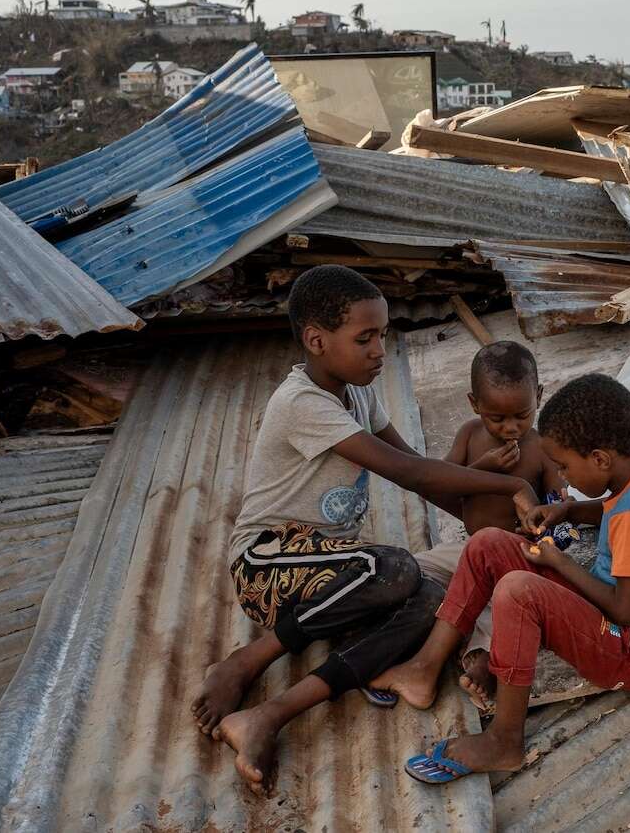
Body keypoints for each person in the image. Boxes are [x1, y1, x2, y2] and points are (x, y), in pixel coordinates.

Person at [189, 265, 539, 796]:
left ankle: (270, 714)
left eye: (383, 335)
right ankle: (245, 661)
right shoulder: (302, 403)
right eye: (365, 338)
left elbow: (421, 474)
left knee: (436, 597)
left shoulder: (359, 392)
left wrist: (492, 530)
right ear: (317, 340)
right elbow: (407, 472)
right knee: (395, 567)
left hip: (335, 572)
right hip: (267, 563)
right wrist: (506, 485)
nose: (380, 350)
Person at [373, 373, 630, 784]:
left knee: (517, 591)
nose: (563, 477)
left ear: (599, 459)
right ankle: (424, 668)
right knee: (488, 542)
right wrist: (568, 511)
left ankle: (505, 739)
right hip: (607, 618)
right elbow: (609, 510)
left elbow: (626, 610)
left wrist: (559, 563)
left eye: (564, 467)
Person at [414, 340, 566, 712]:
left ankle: (482, 660)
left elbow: (560, 502)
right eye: (497, 419)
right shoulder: (469, 435)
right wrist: (484, 468)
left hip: (515, 556)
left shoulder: (541, 448)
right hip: (468, 552)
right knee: (414, 569)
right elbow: (442, 481)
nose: (511, 427)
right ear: (474, 404)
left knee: (500, 606)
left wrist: (556, 511)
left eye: (521, 415)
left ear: (539, 396)